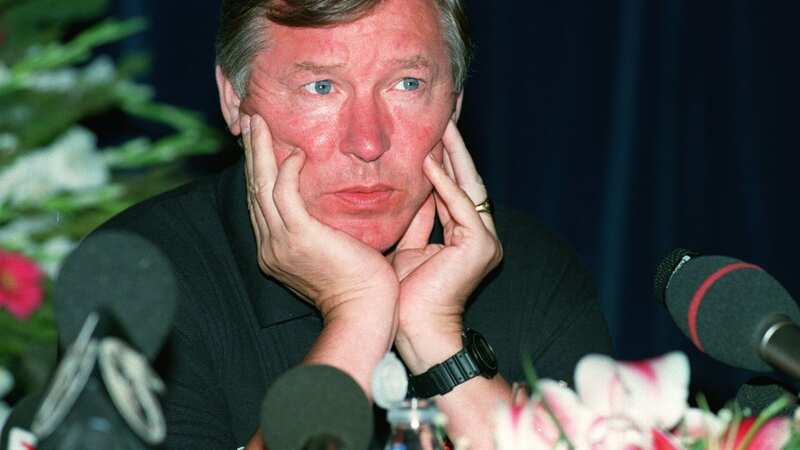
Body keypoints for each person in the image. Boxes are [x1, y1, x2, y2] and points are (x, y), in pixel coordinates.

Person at [98, 0, 613, 448]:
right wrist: (356, 318)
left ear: (454, 102)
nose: (367, 142)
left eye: (407, 84)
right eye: (321, 87)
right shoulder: (138, 275)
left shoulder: (532, 267)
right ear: (235, 99)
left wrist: (439, 340)